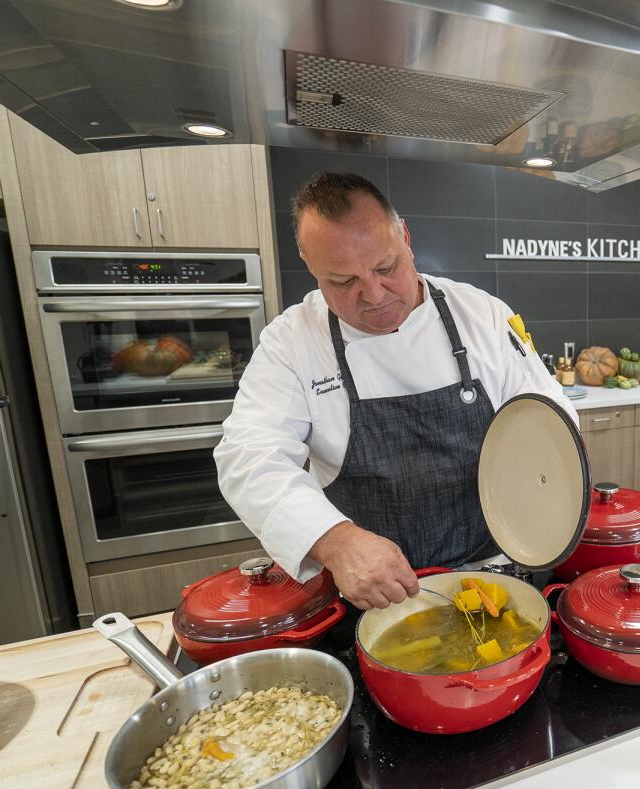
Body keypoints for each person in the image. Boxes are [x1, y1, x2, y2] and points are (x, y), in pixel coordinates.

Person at [215, 172, 576, 610]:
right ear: (311, 268)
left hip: (495, 576)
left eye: (385, 268)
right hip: (374, 599)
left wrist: (551, 498)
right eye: (343, 282)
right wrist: (336, 542)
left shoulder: (479, 313)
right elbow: (249, 456)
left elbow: (548, 416)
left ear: (405, 237)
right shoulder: (291, 342)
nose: (373, 295)